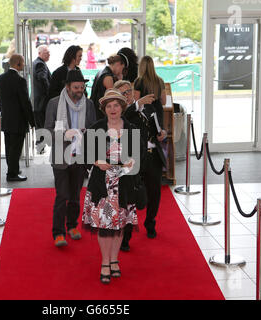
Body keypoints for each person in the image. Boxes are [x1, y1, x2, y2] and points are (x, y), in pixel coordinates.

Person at [81, 88, 145, 284]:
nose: (113, 108)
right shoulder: (95, 128)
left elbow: (140, 153)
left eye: (116, 105)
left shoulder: (132, 128)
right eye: (109, 106)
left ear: (122, 107)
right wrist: (97, 161)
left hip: (124, 184)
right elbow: (85, 153)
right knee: (104, 226)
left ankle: (115, 259)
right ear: (104, 109)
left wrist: (132, 162)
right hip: (102, 184)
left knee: (119, 225)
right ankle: (105, 262)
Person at [118, 56, 168, 251]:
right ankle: (127, 235)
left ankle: (150, 223)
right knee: (131, 196)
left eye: (131, 92)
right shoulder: (126, 110)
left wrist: (162, 133)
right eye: (127, 92)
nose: (131, 94)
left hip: (153, 154)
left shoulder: (154, 106)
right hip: (134, 158)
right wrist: (137, 104)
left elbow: (160, 126)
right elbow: (123, 118)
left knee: (155, 191)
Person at [44, 69, 96, 247]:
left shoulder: (89, 105)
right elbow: (47, 133)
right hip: (61, 157)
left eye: (82, 87)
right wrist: (66, 134)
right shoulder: (54, 104)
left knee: (75, 195)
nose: (80, 90)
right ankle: (58, 233)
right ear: (67, 87)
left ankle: (72, 225)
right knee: (62, 195)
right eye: (76, 87)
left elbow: (94, 129)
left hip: (80, 157)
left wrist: (86, 134)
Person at [0, 54, 35, 182]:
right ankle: (12, 174)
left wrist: (5, 112)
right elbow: (25, 103)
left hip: (7, 119)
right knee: (16, 148)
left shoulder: (0, 79)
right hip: (18, 121)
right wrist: (32, 121)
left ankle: (13, 169)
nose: (24, 65)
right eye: (23, 63)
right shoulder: (20, 81)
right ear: (18, 63)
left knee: (9, 147)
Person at [90, 54, 125, 120]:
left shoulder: (101, 72)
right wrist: (120, 81)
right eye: (122, 68)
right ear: (118, 64)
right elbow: (113, 97)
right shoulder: (108, 77)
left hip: (95, 110)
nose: (121, 72)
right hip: (100, 114)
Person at [32, 45, 51, 154]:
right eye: (46, 52)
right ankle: (40, 147)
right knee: (42, 125)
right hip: (41, 102)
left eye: (49, 52)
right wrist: (49, 91)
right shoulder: (40, 64)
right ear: (39, 53)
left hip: (38, 102)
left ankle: (40, 146)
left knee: (40, 126)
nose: (49, 55)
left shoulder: (37, 63)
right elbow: (42, 78)